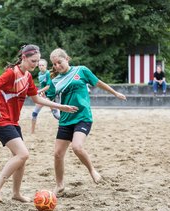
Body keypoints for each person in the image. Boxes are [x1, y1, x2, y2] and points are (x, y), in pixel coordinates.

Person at [0, 44, 78, 203]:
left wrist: (60, 106)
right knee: (23, 154)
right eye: (32, 61)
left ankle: (16, 193)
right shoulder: (11, 73)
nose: (35, 64)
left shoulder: (27, 77)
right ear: (24, 58)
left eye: (37, 61)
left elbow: (36, 99)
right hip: (0, 120)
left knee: (19, 157)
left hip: (12, 120)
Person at [46, 48, 127, 195]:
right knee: (57, 154)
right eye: (54, 64)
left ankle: (92, 171)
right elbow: (49, 99)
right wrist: (46, 100)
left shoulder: (81, 70)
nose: (57, 66)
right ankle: (59, 185)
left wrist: (115, 93)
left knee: (77, 147)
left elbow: (98, 82)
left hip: (83, 117)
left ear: (67, 59)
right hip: (65, 120)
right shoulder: (55, 81)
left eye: (60, 62)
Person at [31, 59, 60, 134]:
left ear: (46, 66)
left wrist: (38, 91)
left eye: (42, 65)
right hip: (43, 95)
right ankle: (32, 132)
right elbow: (42, 86)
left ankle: (67, 124)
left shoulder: (48, 74)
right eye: (39, 65)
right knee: (34, 113)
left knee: (56, 115)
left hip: (50, 96)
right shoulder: (40, 74)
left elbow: (48, 86)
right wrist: (41, 92)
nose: (41, 67)